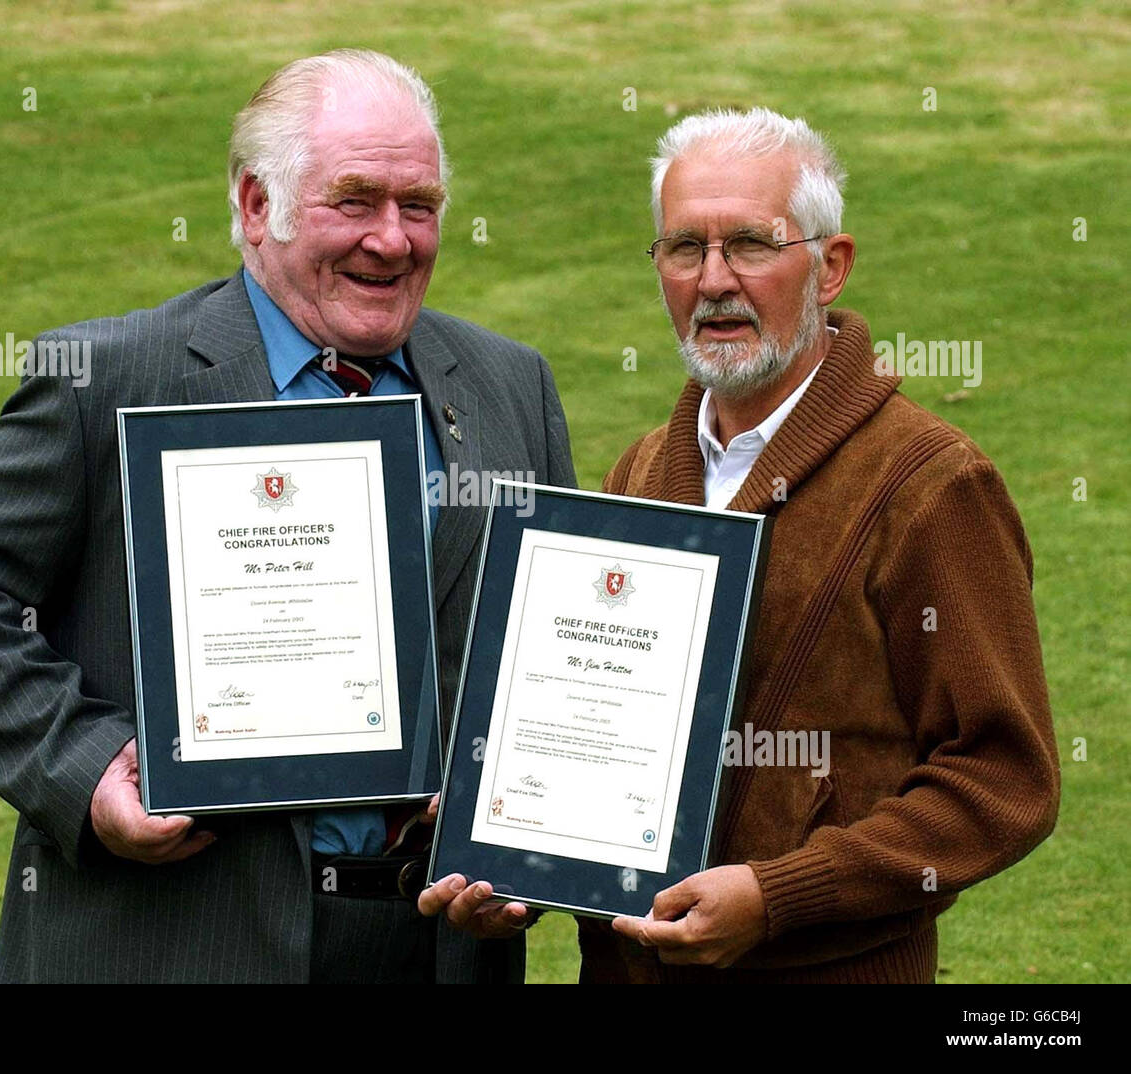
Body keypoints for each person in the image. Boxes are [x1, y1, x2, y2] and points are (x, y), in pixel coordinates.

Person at [0, 49, 575, 983]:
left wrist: (529, 840)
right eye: (355, 200)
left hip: (432, 948)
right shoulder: (111, 381)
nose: (393, 239)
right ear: (256, 207)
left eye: (419, 205)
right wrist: (89, 771)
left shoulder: (507, 384)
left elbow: (548, 661)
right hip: (182, 941)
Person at [428, 106, 1060, 981]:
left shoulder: (932, 483)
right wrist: (514, 862)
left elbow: (1004, 780)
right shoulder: (640, 472)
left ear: (830, 267)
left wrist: (780, 896)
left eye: (752, 246)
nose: (714, 280)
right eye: (684, 248)